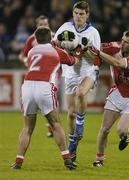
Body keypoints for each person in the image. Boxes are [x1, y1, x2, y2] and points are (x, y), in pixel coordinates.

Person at [11, 26, 78, 170]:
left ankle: (18, 162)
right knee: (56, 124)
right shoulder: (56, 51)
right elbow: (73, 61)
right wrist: (71, 50)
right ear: (50, 38)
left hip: (28, 86)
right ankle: (67, 159)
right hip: (45, 86)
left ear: (36, 39)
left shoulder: (31, 51)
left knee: (28, 127)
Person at [54, 1, 101, 161]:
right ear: (73, 14)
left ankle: (81, 123)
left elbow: (96, 57)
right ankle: (73, 144)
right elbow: (54, 45)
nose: (78, 17)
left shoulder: (93, 32)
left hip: (88, 71)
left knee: (81, 93)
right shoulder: (65, 28)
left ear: (87, 15)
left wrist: (79, 49)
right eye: (76, 13)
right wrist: (63, 46)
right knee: (70, 113)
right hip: (70, 73)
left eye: (82, 14)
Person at [91, 30, 129, 167]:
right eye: (122, 40)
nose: (122, 44)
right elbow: (95, 46)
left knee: (121, 130)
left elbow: (118, 63)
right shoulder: (115, 46)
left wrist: (98, 53)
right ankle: (99, 160)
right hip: (117, 92)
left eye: (126, 42)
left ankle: (125, 135)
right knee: (104, 129)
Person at [19, 15, 54, 137]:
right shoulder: (31, 39)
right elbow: (22, 55)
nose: (44, 26)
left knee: (49, 100)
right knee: (45, 101)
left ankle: (51, 127)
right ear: (36, 25)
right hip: (36, 74)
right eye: (41, 24)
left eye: (45, 24)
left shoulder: (54, 36)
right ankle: (52, 127)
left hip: (52, 73)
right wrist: (25, 61)